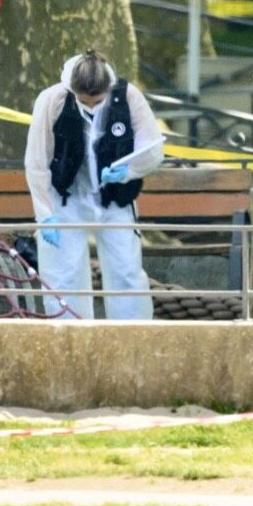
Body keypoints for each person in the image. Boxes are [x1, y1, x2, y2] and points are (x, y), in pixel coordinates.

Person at [24, 50, 164, 319]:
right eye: (83, 101)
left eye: (97, 101)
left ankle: (132, 337)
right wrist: (45, 216)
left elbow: (153, 149)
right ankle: (69, 335)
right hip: (66, 198)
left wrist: (129, 171)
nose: (91, 106)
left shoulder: (128, 96)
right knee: (63, 274)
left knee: (126, 270)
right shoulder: (52, 100)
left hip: (114, 196)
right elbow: (36, 161)